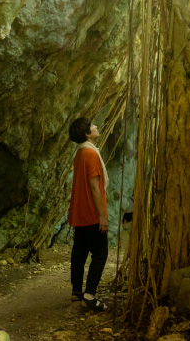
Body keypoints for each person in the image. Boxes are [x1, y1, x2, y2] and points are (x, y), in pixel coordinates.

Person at [67, 117, 110, 312]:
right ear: (87, 134)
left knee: (80, 252)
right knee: (100, 253)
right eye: (92, 126)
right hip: (91, 212)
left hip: (80, 212)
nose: (96, 126)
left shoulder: (80, 153)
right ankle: (89, 296)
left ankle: (76, 292)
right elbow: (94, 186)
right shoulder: (91, 154)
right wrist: (102, 216)